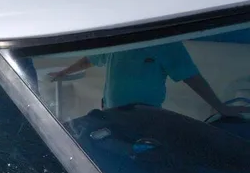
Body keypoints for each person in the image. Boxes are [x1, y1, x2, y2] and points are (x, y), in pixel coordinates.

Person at [51, 42, 249, 117]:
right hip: (111, 112)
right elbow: (89, 60)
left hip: (147, 115)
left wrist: (220, 107)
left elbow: (191, 77)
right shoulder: (115, 42)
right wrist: (64, 72)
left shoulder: (166, 44)